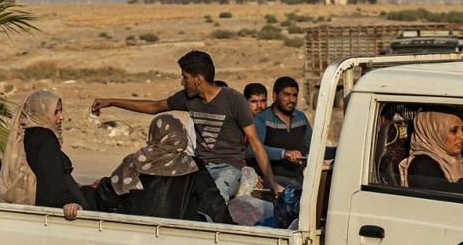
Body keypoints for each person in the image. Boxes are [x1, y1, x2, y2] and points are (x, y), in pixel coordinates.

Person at [91, 50, 280, 201]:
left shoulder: (234, 101)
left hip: (228, 168)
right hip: (199, 165)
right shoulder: (188, 98)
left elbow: (256, 145)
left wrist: (272, 184)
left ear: (199, 79)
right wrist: (112, 102)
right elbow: (154, 106)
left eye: (185, 77)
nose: (182, 82)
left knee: (214, 197)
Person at [0, 89, 90, 221]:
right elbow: (52, 174)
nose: (61, 117)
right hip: (51, 216)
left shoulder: (24, 137)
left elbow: (2, 174)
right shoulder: (44, 137)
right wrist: (68, 201)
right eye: (56, 112)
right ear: (41, 112)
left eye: (61, 111)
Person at [91, 114, 233, 223]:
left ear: (154, 134)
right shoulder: (193, 165)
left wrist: (103, 184)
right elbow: (213, 202)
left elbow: (106, 198)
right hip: (179, 231)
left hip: (135, 229)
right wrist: (231, 228)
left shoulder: (135, 160)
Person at [398, 110, 463, 195]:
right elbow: (449, 196)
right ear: (434, 133)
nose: (462, 136)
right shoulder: (422, 164)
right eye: (454, 131)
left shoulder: (456, 159)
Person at [252, 77, 312, 186]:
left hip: (299, 177)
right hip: (273, 179)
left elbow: (313, 146)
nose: (291, 99)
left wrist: (337, 151)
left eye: (294, 95)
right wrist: (284, 153)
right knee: (296, 189)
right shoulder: (262, 119)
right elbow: (253, 149)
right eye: (286, 94)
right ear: (275, 96)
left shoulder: (301, 117)